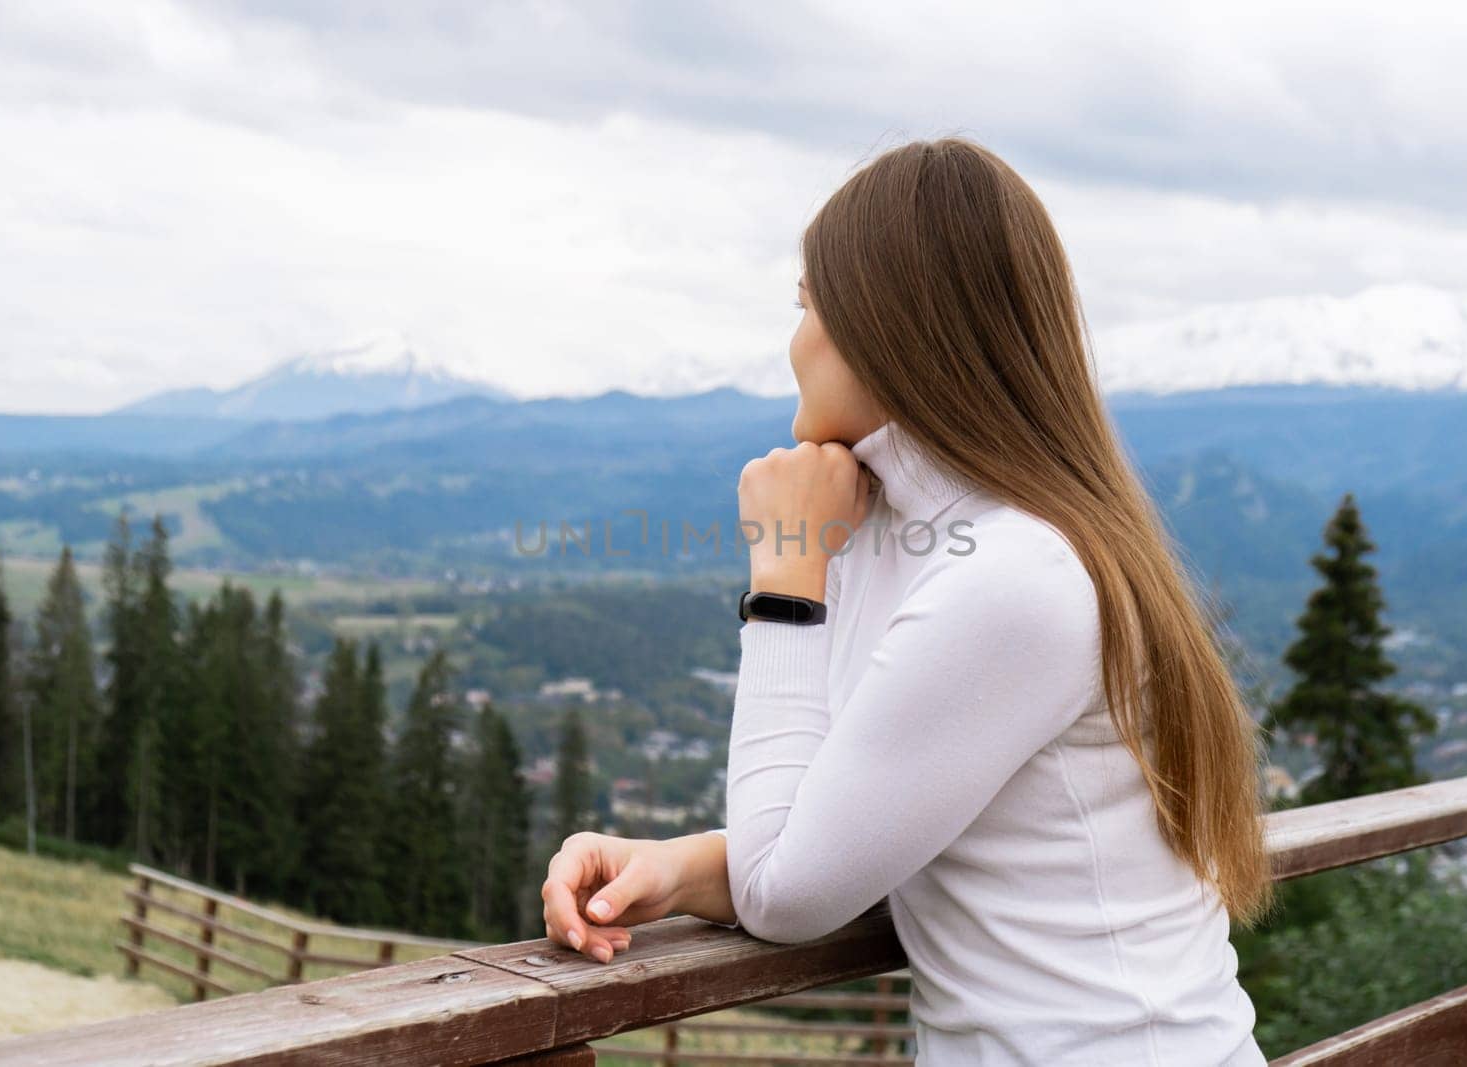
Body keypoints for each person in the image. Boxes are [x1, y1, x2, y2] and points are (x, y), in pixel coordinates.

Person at [539, 135, 1274, 1065]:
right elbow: (850, 821)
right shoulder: (951, 538)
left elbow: (789, 894)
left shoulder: (1016, 574)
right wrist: (680, 866)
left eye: (807, 307)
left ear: (886, 329)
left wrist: (785, 578)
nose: (793, 342)